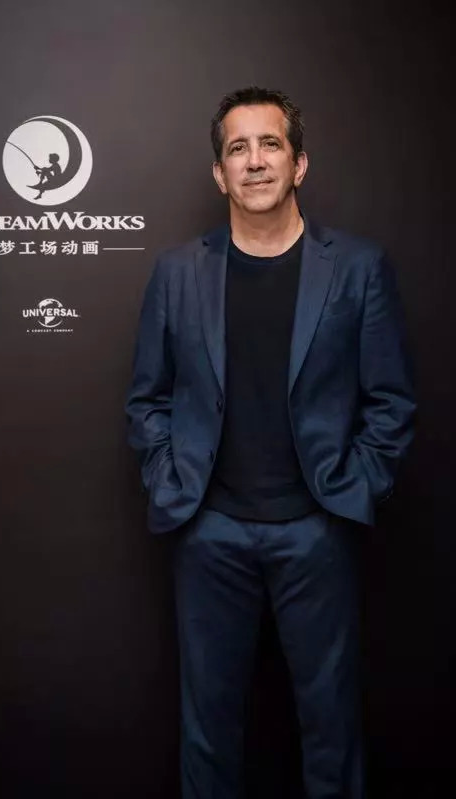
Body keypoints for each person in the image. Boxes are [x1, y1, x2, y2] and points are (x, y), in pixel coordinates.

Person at [125, 86, 415, 799]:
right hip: (210, 533)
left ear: (299, 163)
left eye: (270, 144)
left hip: (317, 533)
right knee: (208, 731)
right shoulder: (177, 273)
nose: (254, 161)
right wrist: (172, 481)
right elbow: (147, 399)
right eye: (238, 148)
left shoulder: (357, 268)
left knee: (332, 728)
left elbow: (390, 401)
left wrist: (353, 489)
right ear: (219, 174)